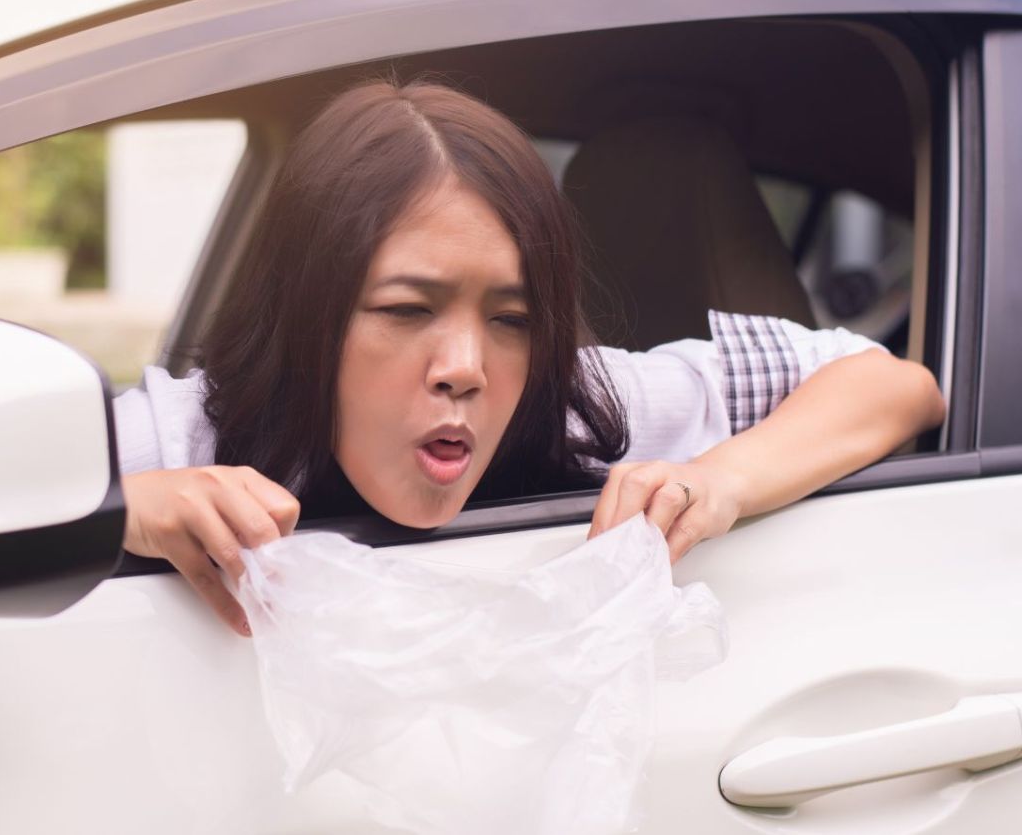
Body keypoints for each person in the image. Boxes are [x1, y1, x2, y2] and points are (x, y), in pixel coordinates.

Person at [115, 78, 946, 636]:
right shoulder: (185, 437)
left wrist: (721, 478)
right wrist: (118, 507)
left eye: (512, 318)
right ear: (306, 310)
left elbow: (893, 385)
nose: (467, 366)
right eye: (408, 310)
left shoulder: (584, 405)